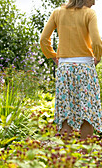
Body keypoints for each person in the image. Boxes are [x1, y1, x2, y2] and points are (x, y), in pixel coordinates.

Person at [40, 0, 102, 141]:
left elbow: (43, 39)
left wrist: (53, 56)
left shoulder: (57, 13)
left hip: (64, 68)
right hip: (85, 68)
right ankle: (86, 157)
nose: (95, 3)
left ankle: (67, 156)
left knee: (65, 113)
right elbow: (97, 41)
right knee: (87, 113)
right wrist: (97, 57)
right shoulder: (89, 14)